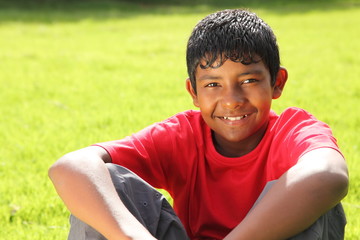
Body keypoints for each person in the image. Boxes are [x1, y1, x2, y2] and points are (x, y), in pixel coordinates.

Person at [48, 9, 348, 240]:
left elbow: (328, 175)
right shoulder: (183, 135)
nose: (231, 100)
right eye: (213, 84)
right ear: (193, 92)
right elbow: (71, 166)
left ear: (277, 82)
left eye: (249, 81)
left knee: (319, 202)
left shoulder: (294, 130)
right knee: (105, 181)